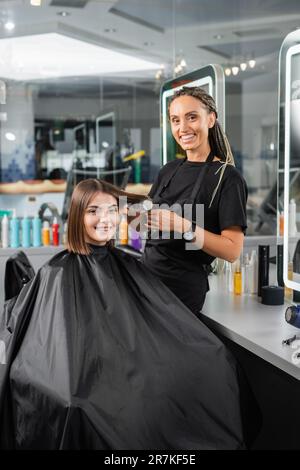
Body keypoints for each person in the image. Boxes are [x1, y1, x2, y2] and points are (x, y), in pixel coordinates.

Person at [0, 178, 246, 450]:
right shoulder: (56, 274)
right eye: (92, 211)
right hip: (82, 375)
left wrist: (172, 222)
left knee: (216, 361)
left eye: (111, 210)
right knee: (77, 403)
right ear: (77, 215)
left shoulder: (127, 263)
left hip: (120, 366)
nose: (104, 219)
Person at [142, 86, 248, 315]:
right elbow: (146, 225)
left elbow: (232, 251)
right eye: (175, 120)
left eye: (192, 117)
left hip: (181, 291)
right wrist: (122, 213)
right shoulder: (168, 170)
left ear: (210, 119)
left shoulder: (227, 178)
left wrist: (181, 226)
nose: (183, 128)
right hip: (147, 281)